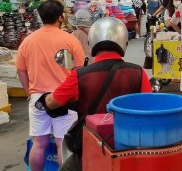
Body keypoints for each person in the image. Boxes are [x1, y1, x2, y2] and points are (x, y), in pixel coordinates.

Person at [36, 17, 151, 171]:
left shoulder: (80, 75)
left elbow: (51, 102)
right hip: (130, 144)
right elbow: (149, 108)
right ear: (124, 43)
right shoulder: (138, 72)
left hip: (92, 146)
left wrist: (45, 96)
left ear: (91, 43)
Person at [16, 0, 85, 171]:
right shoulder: (70, 40)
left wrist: (29, 93)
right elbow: (79, 70)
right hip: (64, 98)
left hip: (38, 98)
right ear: (60, 17)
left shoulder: (28, 41)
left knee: (39, 143)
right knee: (63, 143)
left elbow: (20, 70)